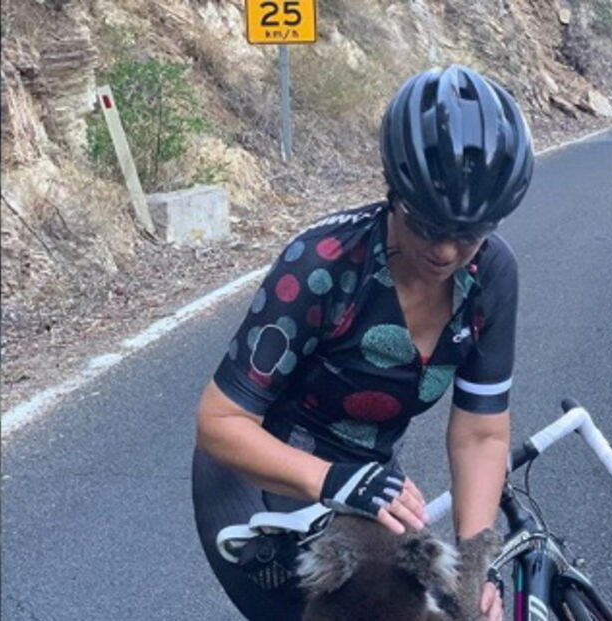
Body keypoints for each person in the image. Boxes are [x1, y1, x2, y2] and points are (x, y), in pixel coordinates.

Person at [191, 64, 534, 621]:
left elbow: (480, 432)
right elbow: (219, 422)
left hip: (366, 477)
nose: (447, 252)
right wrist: (331, 479)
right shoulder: (320, 266)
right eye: (426, 224)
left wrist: (476, 566)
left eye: (469, 233)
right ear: (393, 192)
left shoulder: (492, 274)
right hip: (257, 475)